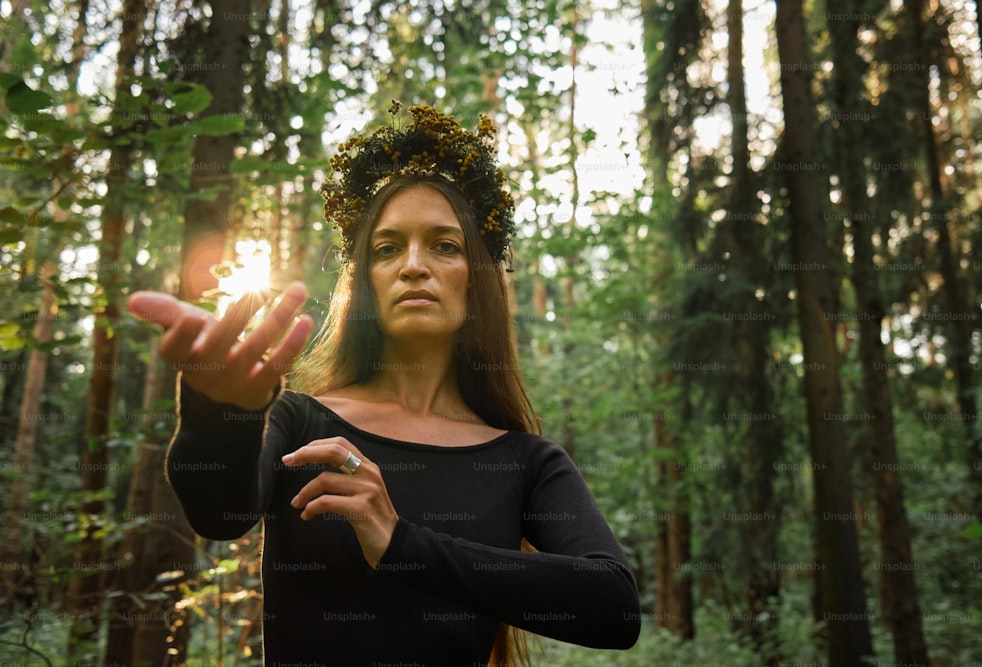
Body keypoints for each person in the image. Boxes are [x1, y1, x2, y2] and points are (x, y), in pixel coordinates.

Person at [128, 102, 640, 666]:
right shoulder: (299, 420)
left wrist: (400, 543)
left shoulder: (525, 461)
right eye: (388, 248)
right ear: (366, 281)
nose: (413, 265)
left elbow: (612, 608)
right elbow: (219, 514)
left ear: (477, 281)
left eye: (444, 246)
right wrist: (217, 416)